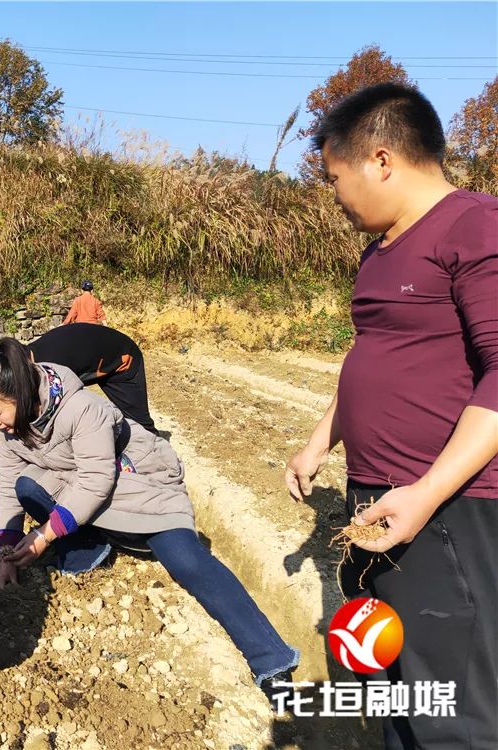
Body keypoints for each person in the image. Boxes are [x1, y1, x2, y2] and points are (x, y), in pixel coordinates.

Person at [285, 83, 497, 749]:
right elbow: (375, 354)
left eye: (335, 178)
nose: (336, 196)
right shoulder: (378, 251)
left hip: (450, 507)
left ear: (381, 160)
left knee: (453, 705)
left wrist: (428, 492)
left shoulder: (475, 225)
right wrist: (321, 440)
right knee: (395, 684)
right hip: (376, 498)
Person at [0, 338, 299, 701]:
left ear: (18, 394)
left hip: (137, 480)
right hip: (79, 485)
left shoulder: (80, 408)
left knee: (186, 560)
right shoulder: (12, 427)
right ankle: (88, 547)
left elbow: (96, 482)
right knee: (26, 486)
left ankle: (271, 659)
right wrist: (5, 550)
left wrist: (44, 536)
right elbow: (6, 485)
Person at [27, 323, 156, 433]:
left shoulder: (52, 369)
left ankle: (158, 456)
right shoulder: (30, 361)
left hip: (121, 358)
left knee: (139, 423)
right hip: (89, 356)